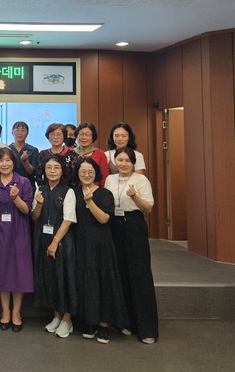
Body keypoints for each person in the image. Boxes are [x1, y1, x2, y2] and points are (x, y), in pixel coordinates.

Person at [104, 147, 158, 344]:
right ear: (115, 162)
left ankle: (147, 329)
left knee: (140, 274)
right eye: (120, 160)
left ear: (134, 163)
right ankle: (126, 322)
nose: (123, 163)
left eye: (127, 160)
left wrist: (135, 196)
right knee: (121, 273)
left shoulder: (141, 180)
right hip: (114, 226)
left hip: (134, 224)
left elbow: (148, 207)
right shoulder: (110, 179)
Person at [73, 157, 128, 344]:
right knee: (87, 282)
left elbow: (104, 219)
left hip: (101, 243)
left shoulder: (105, 193)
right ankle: (91, 322)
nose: (86, 175)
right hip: (81, 243)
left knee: (103, 281)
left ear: (96, 173)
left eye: (90, 172)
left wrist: (89, 201)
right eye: (83, 172)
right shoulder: (74, 192)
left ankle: (104, 324)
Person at [0, 147, 33, 332]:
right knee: (2, 270)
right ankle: (5, 312)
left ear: (14, 162)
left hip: (19, 232)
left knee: (19, 271)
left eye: (8, 160)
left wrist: (16, 198)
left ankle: (16, 313)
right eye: (0, 161)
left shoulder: (24, 182)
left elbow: (26, 210)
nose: (4, 164)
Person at [32, 156, 77, 339]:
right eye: (49, 167)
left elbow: (68, 219)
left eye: (56, 167)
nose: (52, 171)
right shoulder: (40, 189)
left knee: (64, 278)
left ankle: (67, 319)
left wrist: (55, 242)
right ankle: (56, 315)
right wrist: (39, 204)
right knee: (49, 277)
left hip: (62, 241)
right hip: (43, 238)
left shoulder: (68, 191)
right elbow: (34, 216)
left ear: (62, 170)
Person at [36, 123, 79, 187]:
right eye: (53, 134)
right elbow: (39, 176)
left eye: (58, 134)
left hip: (68, 190)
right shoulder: (43, 154)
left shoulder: (72, 154)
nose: (55, 137)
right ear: (48, 137)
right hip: (47, 190)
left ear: (64, 136)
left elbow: (75, 177)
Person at [74, 122, 109, 187]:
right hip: (74, 190)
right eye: (81, 134)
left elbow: (104, 177)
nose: (84, 137)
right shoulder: (71, 153)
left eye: (87, 134)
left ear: (93, 137)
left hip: (95, 190)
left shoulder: (100, 154)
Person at [9, 121, 38, 188]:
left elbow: (33, 173)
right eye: (17, 130)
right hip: (10, 186)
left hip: (28, 187)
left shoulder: (33, 150)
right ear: (12, 133)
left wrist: (25, 161)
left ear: (27, 134)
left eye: (23, 130)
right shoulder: (7, 150)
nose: (20, 133)